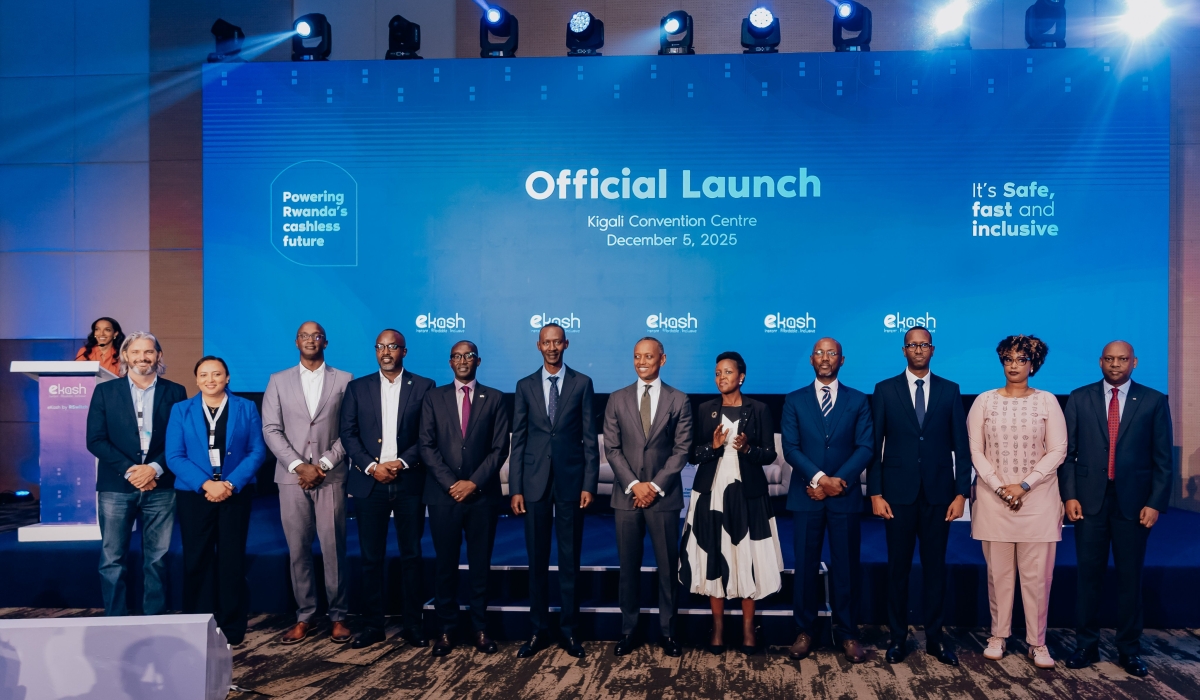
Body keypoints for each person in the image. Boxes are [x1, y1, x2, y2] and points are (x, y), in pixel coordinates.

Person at [1061, 340, 1173, 677]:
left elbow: (1163, 459)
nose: (1115, 364)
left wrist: (1155, 502)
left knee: (1130, 578)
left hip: (1134, 504)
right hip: (1089, 501)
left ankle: (1129, 650)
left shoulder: (1153, 400)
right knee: (1088, 578)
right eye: (1109, 359)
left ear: (1134, 362)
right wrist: (1069, 496)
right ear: (1100, 362)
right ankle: (1086, 645)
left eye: (1122, 359)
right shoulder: (1079, 397)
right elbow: (1067, 454)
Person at [867, 327, 972, 666]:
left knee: (935, 570)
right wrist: (875, 492)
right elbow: (874, 447)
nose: (918, 350)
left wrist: (962, 493)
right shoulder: (884, 390)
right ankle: (897, 639)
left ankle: (935, 639)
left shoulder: (950, 390)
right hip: (897, 495)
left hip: (939, 495)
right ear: (904, 351)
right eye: (912, 345)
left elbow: (962, 447)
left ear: (932, 349)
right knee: (897, 570)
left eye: (924, 344)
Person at [968, 335, 1066, 670]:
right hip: (994, 500)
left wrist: (1025, 485)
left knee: (1037, 579)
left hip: (1038, 499)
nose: (1014, 365)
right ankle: (998, 635)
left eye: (1022, 359)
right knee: (998, 576)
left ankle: (1037, 642)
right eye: (1008, 359)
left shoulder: (1047, 401)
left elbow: (1058, 450)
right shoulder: (984, 401)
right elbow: (975, 451)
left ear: (1033, 364)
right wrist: (1000, 488)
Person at [681, 351, 782, 656]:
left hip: (747, 494)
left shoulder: (759, 409)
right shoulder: (705, 409)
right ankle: (718, 628)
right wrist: (712, 447)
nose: (721, 377)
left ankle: (749, 629)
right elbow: (692, 454)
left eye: (727, 372)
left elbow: (770, 454)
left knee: (746, 557)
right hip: (711, 494)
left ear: (741, 377)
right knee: (715, 554)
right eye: (717, 373)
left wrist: (748, 449)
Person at [340, 329, 435, 649]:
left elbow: (427, 434)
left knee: (412, 555)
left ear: (404, 352)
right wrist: (372, 466)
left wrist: (402, 463)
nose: (386, 352)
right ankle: (372, 626)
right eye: (380, 346)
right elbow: (348, 434)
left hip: (409, 482)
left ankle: (413, 625)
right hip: (370, 483)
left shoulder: (424, 386)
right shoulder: (357, 387)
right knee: (370, 558)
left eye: (392, 346)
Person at [780, 337, 872, 663]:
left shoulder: (858, 400)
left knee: (846, 567)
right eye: (819, 352)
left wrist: (836, 484)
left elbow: (865, 447)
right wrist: (820, 480)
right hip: (807, 496)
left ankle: (848, 633)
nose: (824, 357)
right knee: (805, 568)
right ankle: (804, 632)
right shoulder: (794, 400)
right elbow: (791, 448)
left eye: (831, 353)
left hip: (844, 498)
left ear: (841, 360)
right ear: (811, 359)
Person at [509, 323, 599, 659]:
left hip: (571, 483)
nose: (551, 347)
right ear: (538, 346)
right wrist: (515, 487)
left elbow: (590, 439)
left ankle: (570, 631)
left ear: (566, 344)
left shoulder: (582, 383)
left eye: (557, 342)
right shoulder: (524, 385)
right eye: (546, 342)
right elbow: (518, 440)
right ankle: (537, 631)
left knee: (569, 560)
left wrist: (589, 483)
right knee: (536, 561)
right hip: (533, 483)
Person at [261, 321, 353, 645]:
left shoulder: (345, 379)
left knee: (334, 549)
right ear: (296, 341)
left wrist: (323, 464)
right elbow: (271, 428)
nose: (310, 340)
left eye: (316, 336)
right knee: (298, 550)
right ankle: (305, 616)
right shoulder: (278, 380)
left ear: (325, 342)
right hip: (291, 478)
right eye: (304, 335)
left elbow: (350, 429)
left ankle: (338, 616)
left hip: (331, 477)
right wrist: (299, 466)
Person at [166, 356, 267, 646]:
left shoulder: (245, 407)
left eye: (217, 374)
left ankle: (232, 625)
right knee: (197, 558)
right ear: (196, 379)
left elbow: (257, 451)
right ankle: (198, 623)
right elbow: (174, 455)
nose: (210, 380)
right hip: (195, 494)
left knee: (231, 559)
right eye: (204, 375)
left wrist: (230, 484)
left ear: (227, 378)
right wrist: (206, 484)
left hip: (235, 493)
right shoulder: (181, 410)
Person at [419, 340, 510, 657]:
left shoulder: (495, 398)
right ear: (450, 362)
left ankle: (480, 628)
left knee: (480, 565)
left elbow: (499, 448)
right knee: (445, 565)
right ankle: (446, 629)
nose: (462, 360)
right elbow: (426, 446)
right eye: (456, 356)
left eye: (468, 355)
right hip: (443, 496)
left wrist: (473, 483)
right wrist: (451, 484)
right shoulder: (434, 397)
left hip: (481, 496)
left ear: (478, 361)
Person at [85, 331, 186, 616]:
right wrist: (133, 471)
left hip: (161, 485)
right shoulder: (105, 392)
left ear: (158, 356)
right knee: (112, 560)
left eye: (149, 352)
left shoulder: (175, 392)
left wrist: (153, 468)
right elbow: (95, 440)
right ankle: (115, 620)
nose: (143, 357)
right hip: (116, 486)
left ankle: (154, 619)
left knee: (157, 559)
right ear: (126, 356)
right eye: (136, 352)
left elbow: (180, 439)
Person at [604, 337, 693, 658]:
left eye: (648, 356)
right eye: (637, 356)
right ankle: (629, 630)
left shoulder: (679, 399)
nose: (642, 362)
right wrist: (634, 485)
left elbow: (682, 449)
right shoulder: (616, 398)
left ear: (662, 360)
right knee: (628, 568)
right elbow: (612, 448)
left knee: (668, 568)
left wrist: (653, 486)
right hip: (626, 497)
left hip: (663, 498)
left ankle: (668, 632)